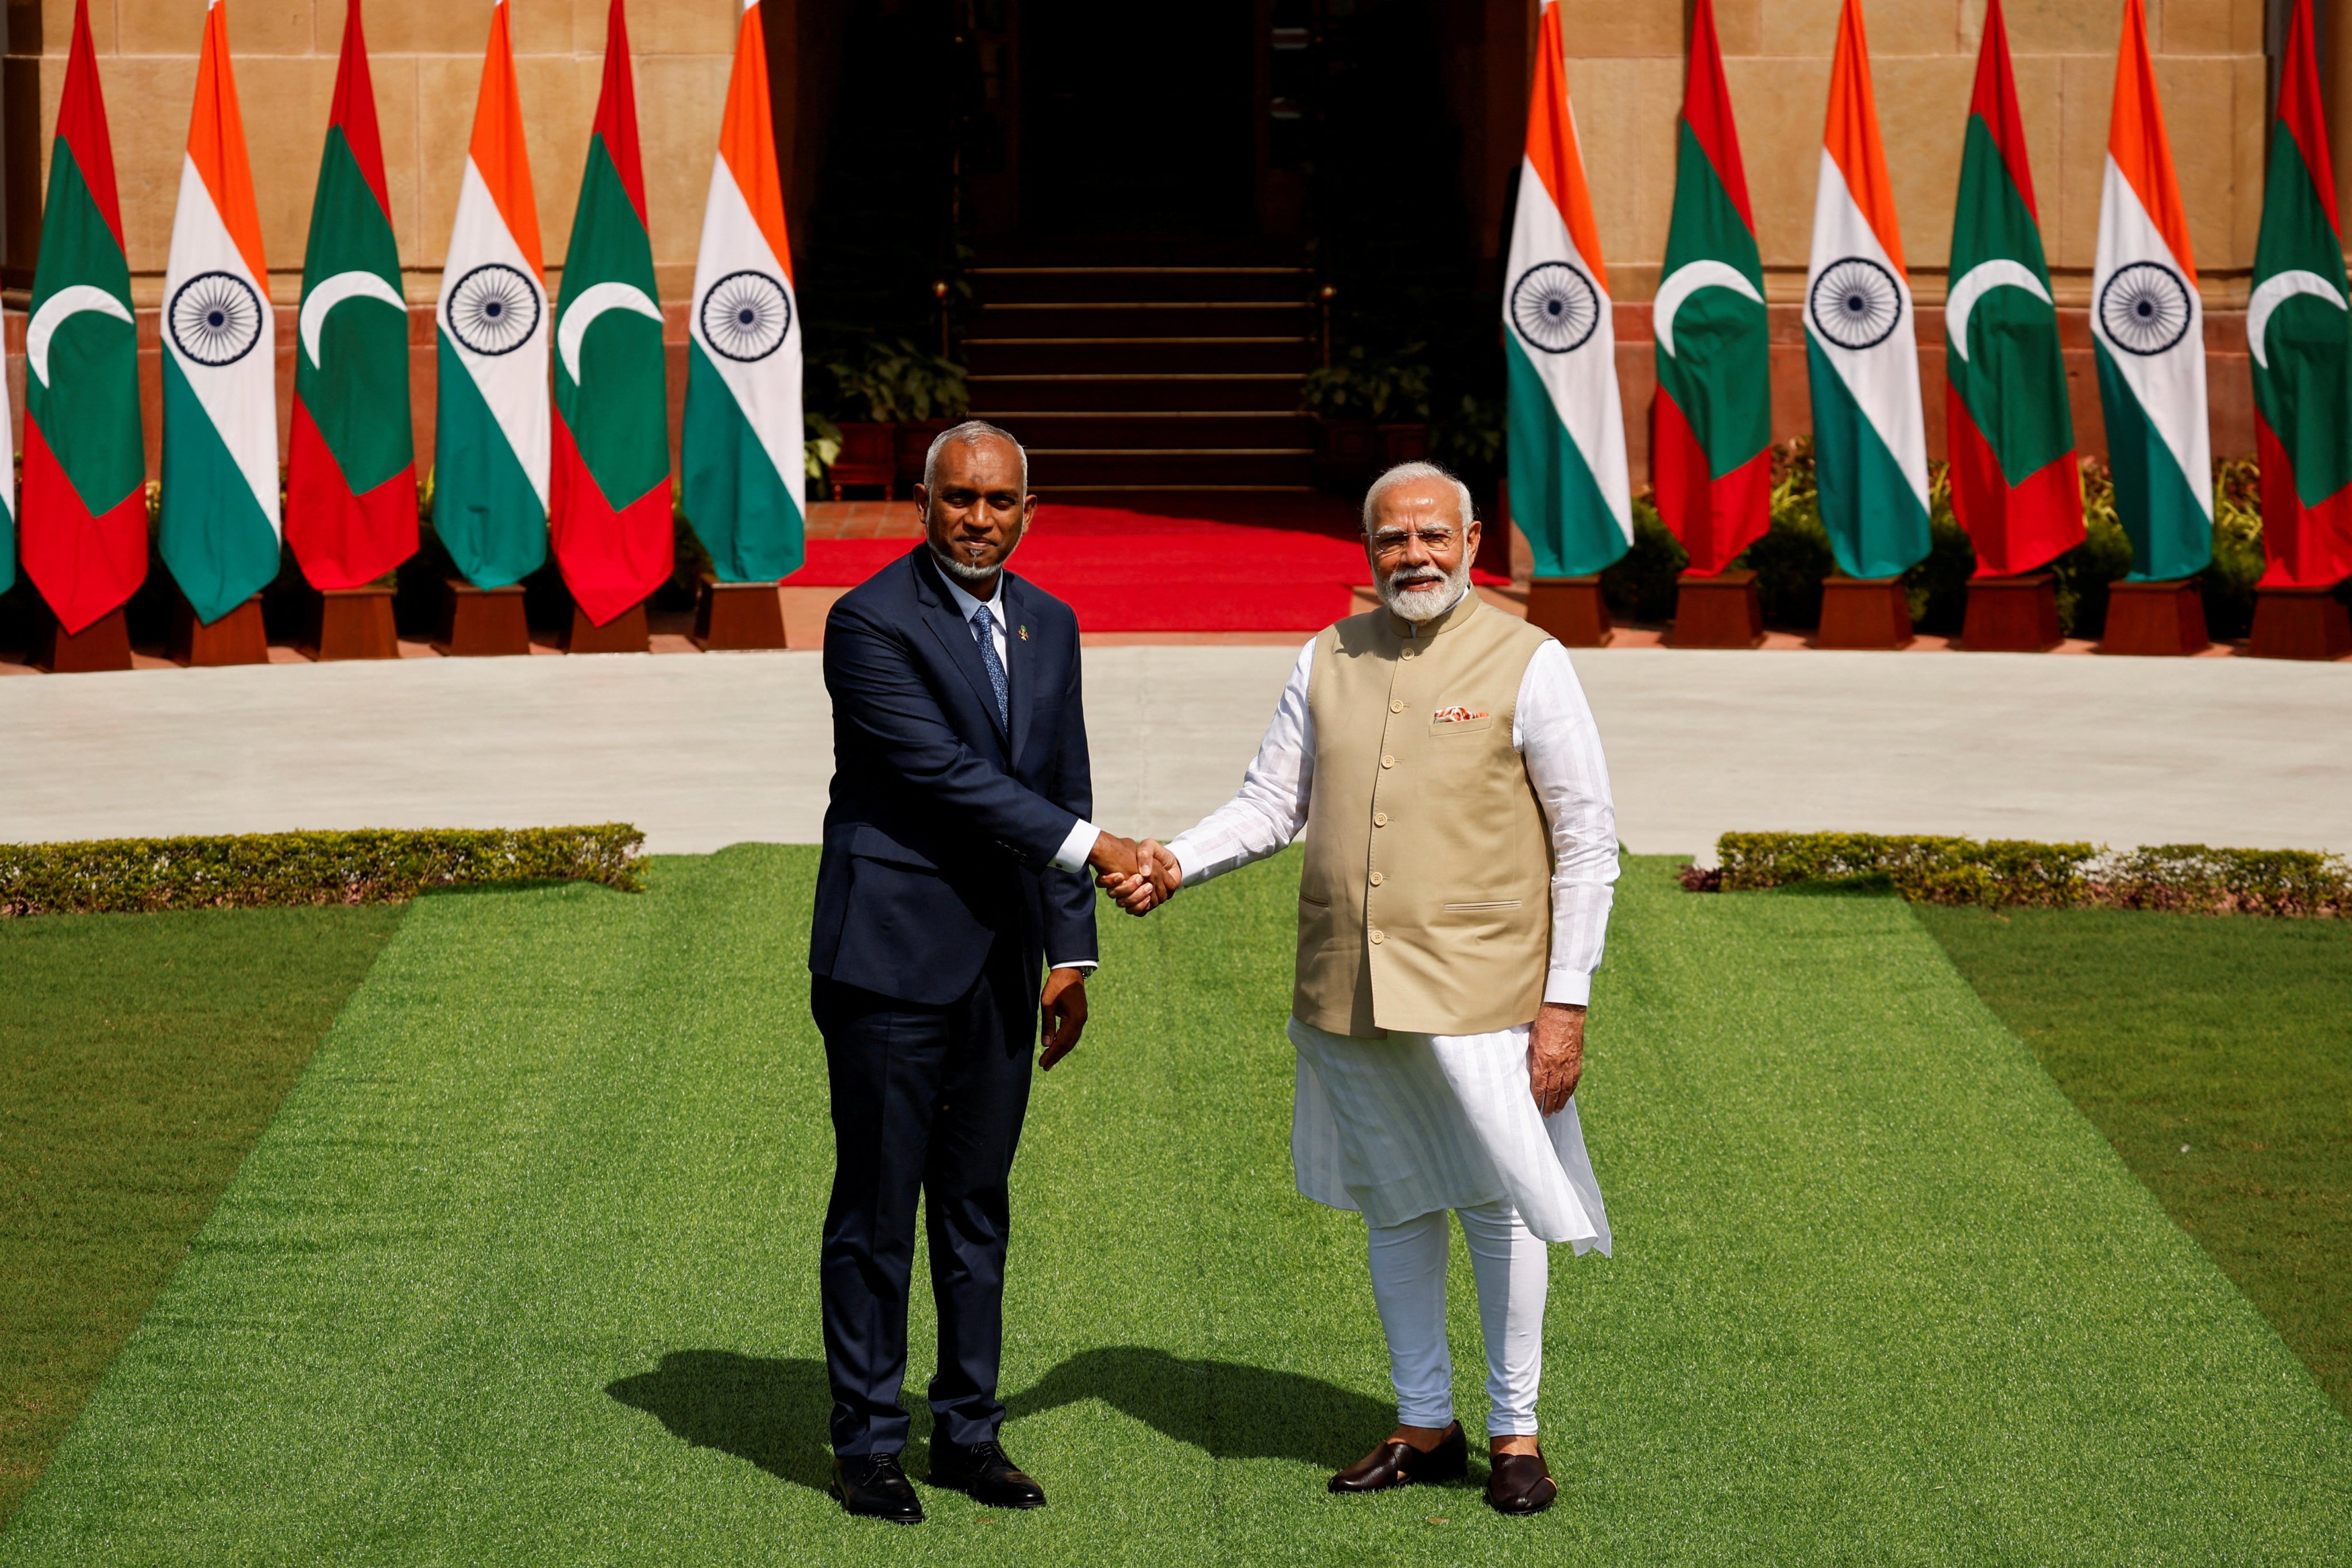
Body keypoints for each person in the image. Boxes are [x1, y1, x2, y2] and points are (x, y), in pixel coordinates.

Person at [1104, 461, 1617, 1517]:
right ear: (1369, 547)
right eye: (1394, 540)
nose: (1415, 557)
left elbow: (1587, 842)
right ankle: (1424, 1423)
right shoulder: (1324, 656)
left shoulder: (1534, 660)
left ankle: (1515, 1430)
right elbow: (1269, 804)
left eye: (1435, 536)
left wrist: (1564, 1001)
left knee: (1499, 1206)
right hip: (1348, 988)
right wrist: (1174, 861)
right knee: (1396, 1205)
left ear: (1475, 541)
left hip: (1485, 990)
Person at [811, 420, 1142, 1524]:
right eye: (960, 499)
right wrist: (1095, 850)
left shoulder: (1052, 624)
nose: (980, 519)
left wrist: (1071, 950)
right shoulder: (867, 623)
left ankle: (968, 1433)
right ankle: (867, 1443)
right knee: (876, 1210)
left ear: (1028, 511)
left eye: (1001, 501)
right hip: (890, 963)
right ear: (922, 503)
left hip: (1002, 967)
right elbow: (948, 775)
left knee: (975, 1208)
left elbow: (1059, 777)